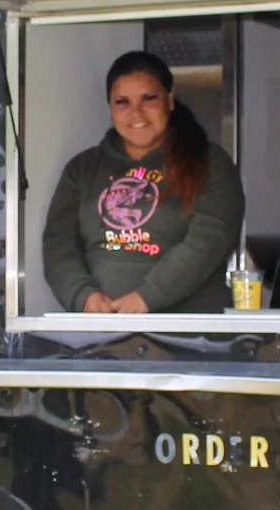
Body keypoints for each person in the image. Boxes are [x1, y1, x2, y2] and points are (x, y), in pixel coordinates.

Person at [42, 50, 245, 314]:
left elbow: (209, 239)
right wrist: (84, 297)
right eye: (122, 102)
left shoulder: (210, 162)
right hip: (102, 334)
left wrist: (147, 297)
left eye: (149, 98)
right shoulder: (81, 169)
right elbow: (58, 245)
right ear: (110, 109)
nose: (136, 113)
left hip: (189, 334)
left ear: (170, 100)